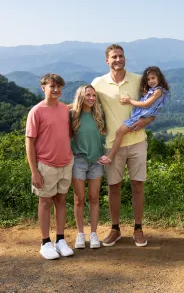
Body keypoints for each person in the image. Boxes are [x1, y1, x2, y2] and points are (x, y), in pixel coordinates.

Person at [91, 44, 155, 247]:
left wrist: (143, 122)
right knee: (113, 187)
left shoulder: (138, 80)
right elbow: (86, 104)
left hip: (137, 142)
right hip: (112, 145)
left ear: (125, 58)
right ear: (107, 61)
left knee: (138, 185)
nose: (118, 59)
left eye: (121, 56)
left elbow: (153, 107)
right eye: (114, 57)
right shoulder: (98, 83)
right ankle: (115, 229)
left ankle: (138, 229)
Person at [26, 73, 74, 260]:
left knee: (61, 201)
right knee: (45, 202)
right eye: (52, 86)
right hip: (45, 165)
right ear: (43, 88)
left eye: (59, 86)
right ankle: (45, 242)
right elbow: (29, 143)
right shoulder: (36, 111)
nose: (56, 89)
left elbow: (66, 133)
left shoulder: (63, 109)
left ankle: (60, 240)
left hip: (65, 163)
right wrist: (34, 171)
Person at [99, 66, 169, 164]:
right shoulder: (154, 90)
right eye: (148, 79)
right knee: (120, 133)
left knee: (119, 132)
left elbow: (146, 104)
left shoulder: (158, 91)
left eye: (153, 78)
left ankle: (110, 157)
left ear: (159, 78)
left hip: (139, 117)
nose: (150, 81)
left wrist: (129, 101)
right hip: (140, 116)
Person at [70, 84, 106, 249]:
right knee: (79, 199)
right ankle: (80, 234)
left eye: (93, 95)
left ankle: (93, 233)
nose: (91, 98)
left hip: (96, 161)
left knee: (94, 198)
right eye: (88, 95)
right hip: (78, 161)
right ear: (80, 97)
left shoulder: (98, 114)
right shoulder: (72, 115)